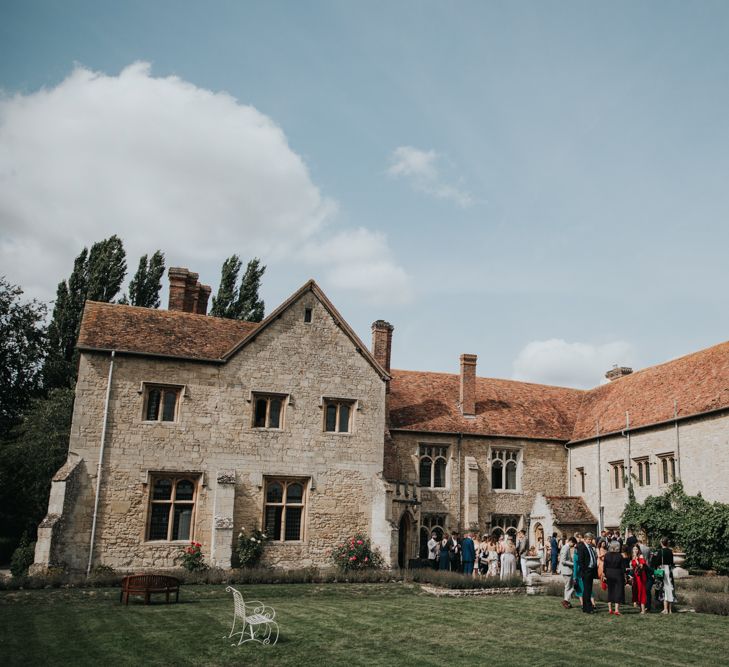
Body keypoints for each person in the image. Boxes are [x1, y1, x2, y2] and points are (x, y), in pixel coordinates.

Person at [652, 537, 675, 614]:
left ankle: (665, 609)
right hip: (669, 570)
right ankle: (670, 609)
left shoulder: (660, 551)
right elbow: (672, 562)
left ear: (661, 543)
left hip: (661, 570)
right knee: (670, 588)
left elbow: (656, 563)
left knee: (663, 589)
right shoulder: (670, 551)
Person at [577, 532, 598, 613]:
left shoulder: (590, 547)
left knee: (588, 589)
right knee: (587, 590)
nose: (590, 541)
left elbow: (592, 558)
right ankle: (588, 607)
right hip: (586, 571)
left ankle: (586, 607)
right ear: (585, 539)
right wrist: (585, 571)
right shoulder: (582, 548)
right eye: (589, 539)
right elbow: (580, 561)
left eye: (591, 539)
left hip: (591, 570)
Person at [603, 541, 626, 616]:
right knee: (618, 591)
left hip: (609, 573)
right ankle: (616, 610)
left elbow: (604, 566)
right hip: (618, 574)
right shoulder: (619, 556)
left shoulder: (606, 555)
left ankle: (610, 609)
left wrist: (605, 574)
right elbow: (623, 568)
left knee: (610, 590)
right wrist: (625, 575)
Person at [558, 536, 576, 608]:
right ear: (570, 541)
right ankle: (566, 600)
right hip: (566, 570)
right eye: (573, 544)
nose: (574, 545)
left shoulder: (567, 547)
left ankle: (567, 601)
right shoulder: (565, 548)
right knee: (570, 587)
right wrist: (573, 564)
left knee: (568, 587)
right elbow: (563, 561)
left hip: (567, 570)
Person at [630, 545, 648, 614]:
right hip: (635, 576)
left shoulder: (640, 556)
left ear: (638, 550)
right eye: (634, 549)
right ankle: (640, 608)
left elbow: (641, 566)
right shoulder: (633, 556)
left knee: (642, 591)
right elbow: (633, 567)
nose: (635, 550)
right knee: (636, 591)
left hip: (640, 576)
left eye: (636, 549)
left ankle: (643, 610)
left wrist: (636, 560)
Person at [572, 533, 584, 604]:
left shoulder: (580, 546)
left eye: (580, 537)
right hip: (579, 569)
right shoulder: (575, 547)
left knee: (580, 588)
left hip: (580, 570)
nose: (579, 538)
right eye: (578, 537)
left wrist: (574, 576)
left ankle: (583, 603)